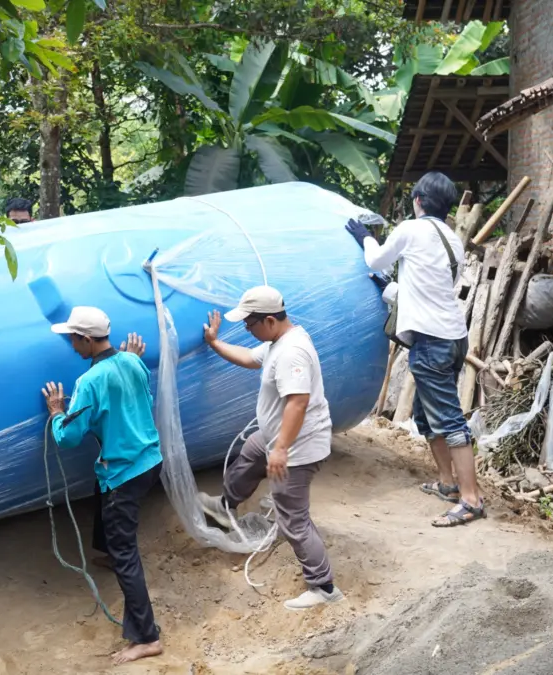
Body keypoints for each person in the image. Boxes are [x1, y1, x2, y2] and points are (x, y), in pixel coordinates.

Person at [345, 171, 483, 527]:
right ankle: (447, 483)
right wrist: (389, 290)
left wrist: (365, 237)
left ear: (418, 200)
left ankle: (471, 500)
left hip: (432, 342)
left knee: (450, 420)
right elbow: (429, 289)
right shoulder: (452, 240)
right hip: (454, 337)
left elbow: (375, 260)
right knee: (424, 415)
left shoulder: (410, 229)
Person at [196, 286, 344, 611]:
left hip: (298, 446)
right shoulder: (278, 342)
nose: (247, 330)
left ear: (270, 321)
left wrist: (280, 449)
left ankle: (323, 587)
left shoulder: (293, 352)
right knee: (252, 451)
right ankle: (225, 505)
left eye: (250, 324)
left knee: (292, 517)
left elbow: (298, 402)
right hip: (280, 437)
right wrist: (215, 343)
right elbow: (249, 358)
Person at [40, 306, 163, 665]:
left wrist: (56, 412)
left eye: (73, 339)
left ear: (87, 339)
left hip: (124, 472)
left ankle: (147, 638)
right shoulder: (133, 361)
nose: (71, 345)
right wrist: (128, 360)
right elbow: (143, 400)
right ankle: (110, 551)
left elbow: (68, 437)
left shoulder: (89, 381)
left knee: (127, 553)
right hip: (150, 460)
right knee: (103, 492)